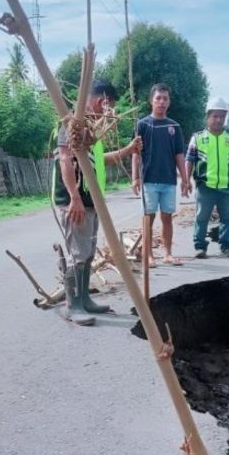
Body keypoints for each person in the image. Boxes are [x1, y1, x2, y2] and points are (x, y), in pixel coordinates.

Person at [54, 81, 142, 326]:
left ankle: (84, 299)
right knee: (78, 254)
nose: (108, 112)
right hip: (76, 202)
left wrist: (128, 150)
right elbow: (65, 159)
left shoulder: (91, 130)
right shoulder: (71, 125)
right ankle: (73, 306)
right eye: (108, 106)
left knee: (89, 253)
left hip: (92, 201)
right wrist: (74, 197)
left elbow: (99, 161)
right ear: (99, 100)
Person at [131, 83, 190, 266]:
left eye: (165, 98)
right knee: (148, 218)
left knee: (167, 217)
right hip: (149, 180)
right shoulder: (142, 125)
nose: (162, 102)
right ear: (151, 100)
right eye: (158, 98)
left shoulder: (174, 127)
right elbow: (135, 153)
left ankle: (167, 253)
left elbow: (179, 154)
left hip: (169, 181)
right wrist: (135, 178)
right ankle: (148, 255)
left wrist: (185, 179)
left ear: (169, 102)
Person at [185, 98, 229, 259]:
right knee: (202, 217)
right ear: (208, 117)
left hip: (226, 186)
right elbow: (189, 159)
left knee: (227, 217)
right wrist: (186, 181)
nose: (219, 120)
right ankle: (200, 247)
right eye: (215, 116)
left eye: (222, 116)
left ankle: (226, 247)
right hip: (205, 186)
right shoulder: (198, 138)